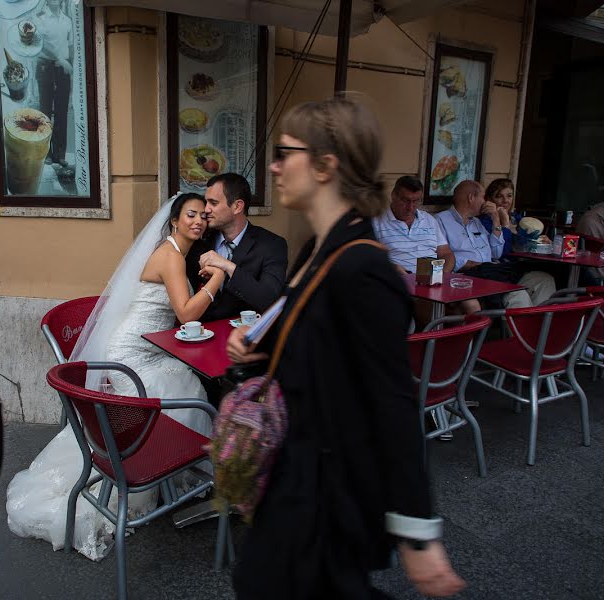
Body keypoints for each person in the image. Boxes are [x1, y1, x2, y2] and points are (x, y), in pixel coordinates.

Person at [226, 97, 465, 599]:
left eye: (283, 152)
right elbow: (312, 343)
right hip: (300, 481)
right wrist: (261, 350)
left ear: (324, 165)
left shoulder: (365, 269)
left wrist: (419, 534)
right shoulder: (319, 248)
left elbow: (395, 402)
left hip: (328, 495)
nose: (274, 165)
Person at [6, 194, 225, 559]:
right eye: (191, 215)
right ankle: (150, 473)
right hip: (131, 356)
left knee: (186, 381)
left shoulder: (174, 254)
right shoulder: (170, 256)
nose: (199, 221)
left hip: (150, 349)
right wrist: (217, 276)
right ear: (173, 220)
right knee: (185, 388)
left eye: (203, 216)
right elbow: (187, 316)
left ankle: (166, 474)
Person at [373, 175, 479, 321]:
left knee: (472, 306)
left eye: (416, 201)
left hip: (434, 279)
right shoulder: (377, 221)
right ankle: (435, 341)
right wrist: (391, 267)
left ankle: (462, 343)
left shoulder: (428, 220)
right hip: (402, 283)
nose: (411, 207)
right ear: (393, 196)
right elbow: (369, 257)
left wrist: (442, 273)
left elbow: (446, 254)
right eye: (406, 200)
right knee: (434, 308)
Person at [186, 172, 288, 322]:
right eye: (206, 202)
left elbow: (269, 300)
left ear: (237, 206)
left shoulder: (272, 245)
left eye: (213, 203)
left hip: (247, 339)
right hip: (202, 337)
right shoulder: (200, 242)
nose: (206, 209)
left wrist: (228, 266)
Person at [437, 180, 555, 308]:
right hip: (470, 276)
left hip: (494, 271)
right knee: (517, 294)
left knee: (544, 280)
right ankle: (524, 327)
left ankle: (540, 326)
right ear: (471, 198)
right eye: (483, 197)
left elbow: (496, 253)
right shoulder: (440, 220)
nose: (486, 202)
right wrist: (468, 263)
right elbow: (440, 253)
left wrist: (495, 219)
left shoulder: (476, 222)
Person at [36, 0, 74, 166]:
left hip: (63, 69)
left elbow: (71, 46)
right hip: (45, 68)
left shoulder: (67, 21)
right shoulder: (40, 19)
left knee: (61, 112)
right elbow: (39, 44)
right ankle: (46, 154)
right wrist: (59, 58)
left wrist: (69, 65)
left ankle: (60, 154)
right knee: (44, 113)